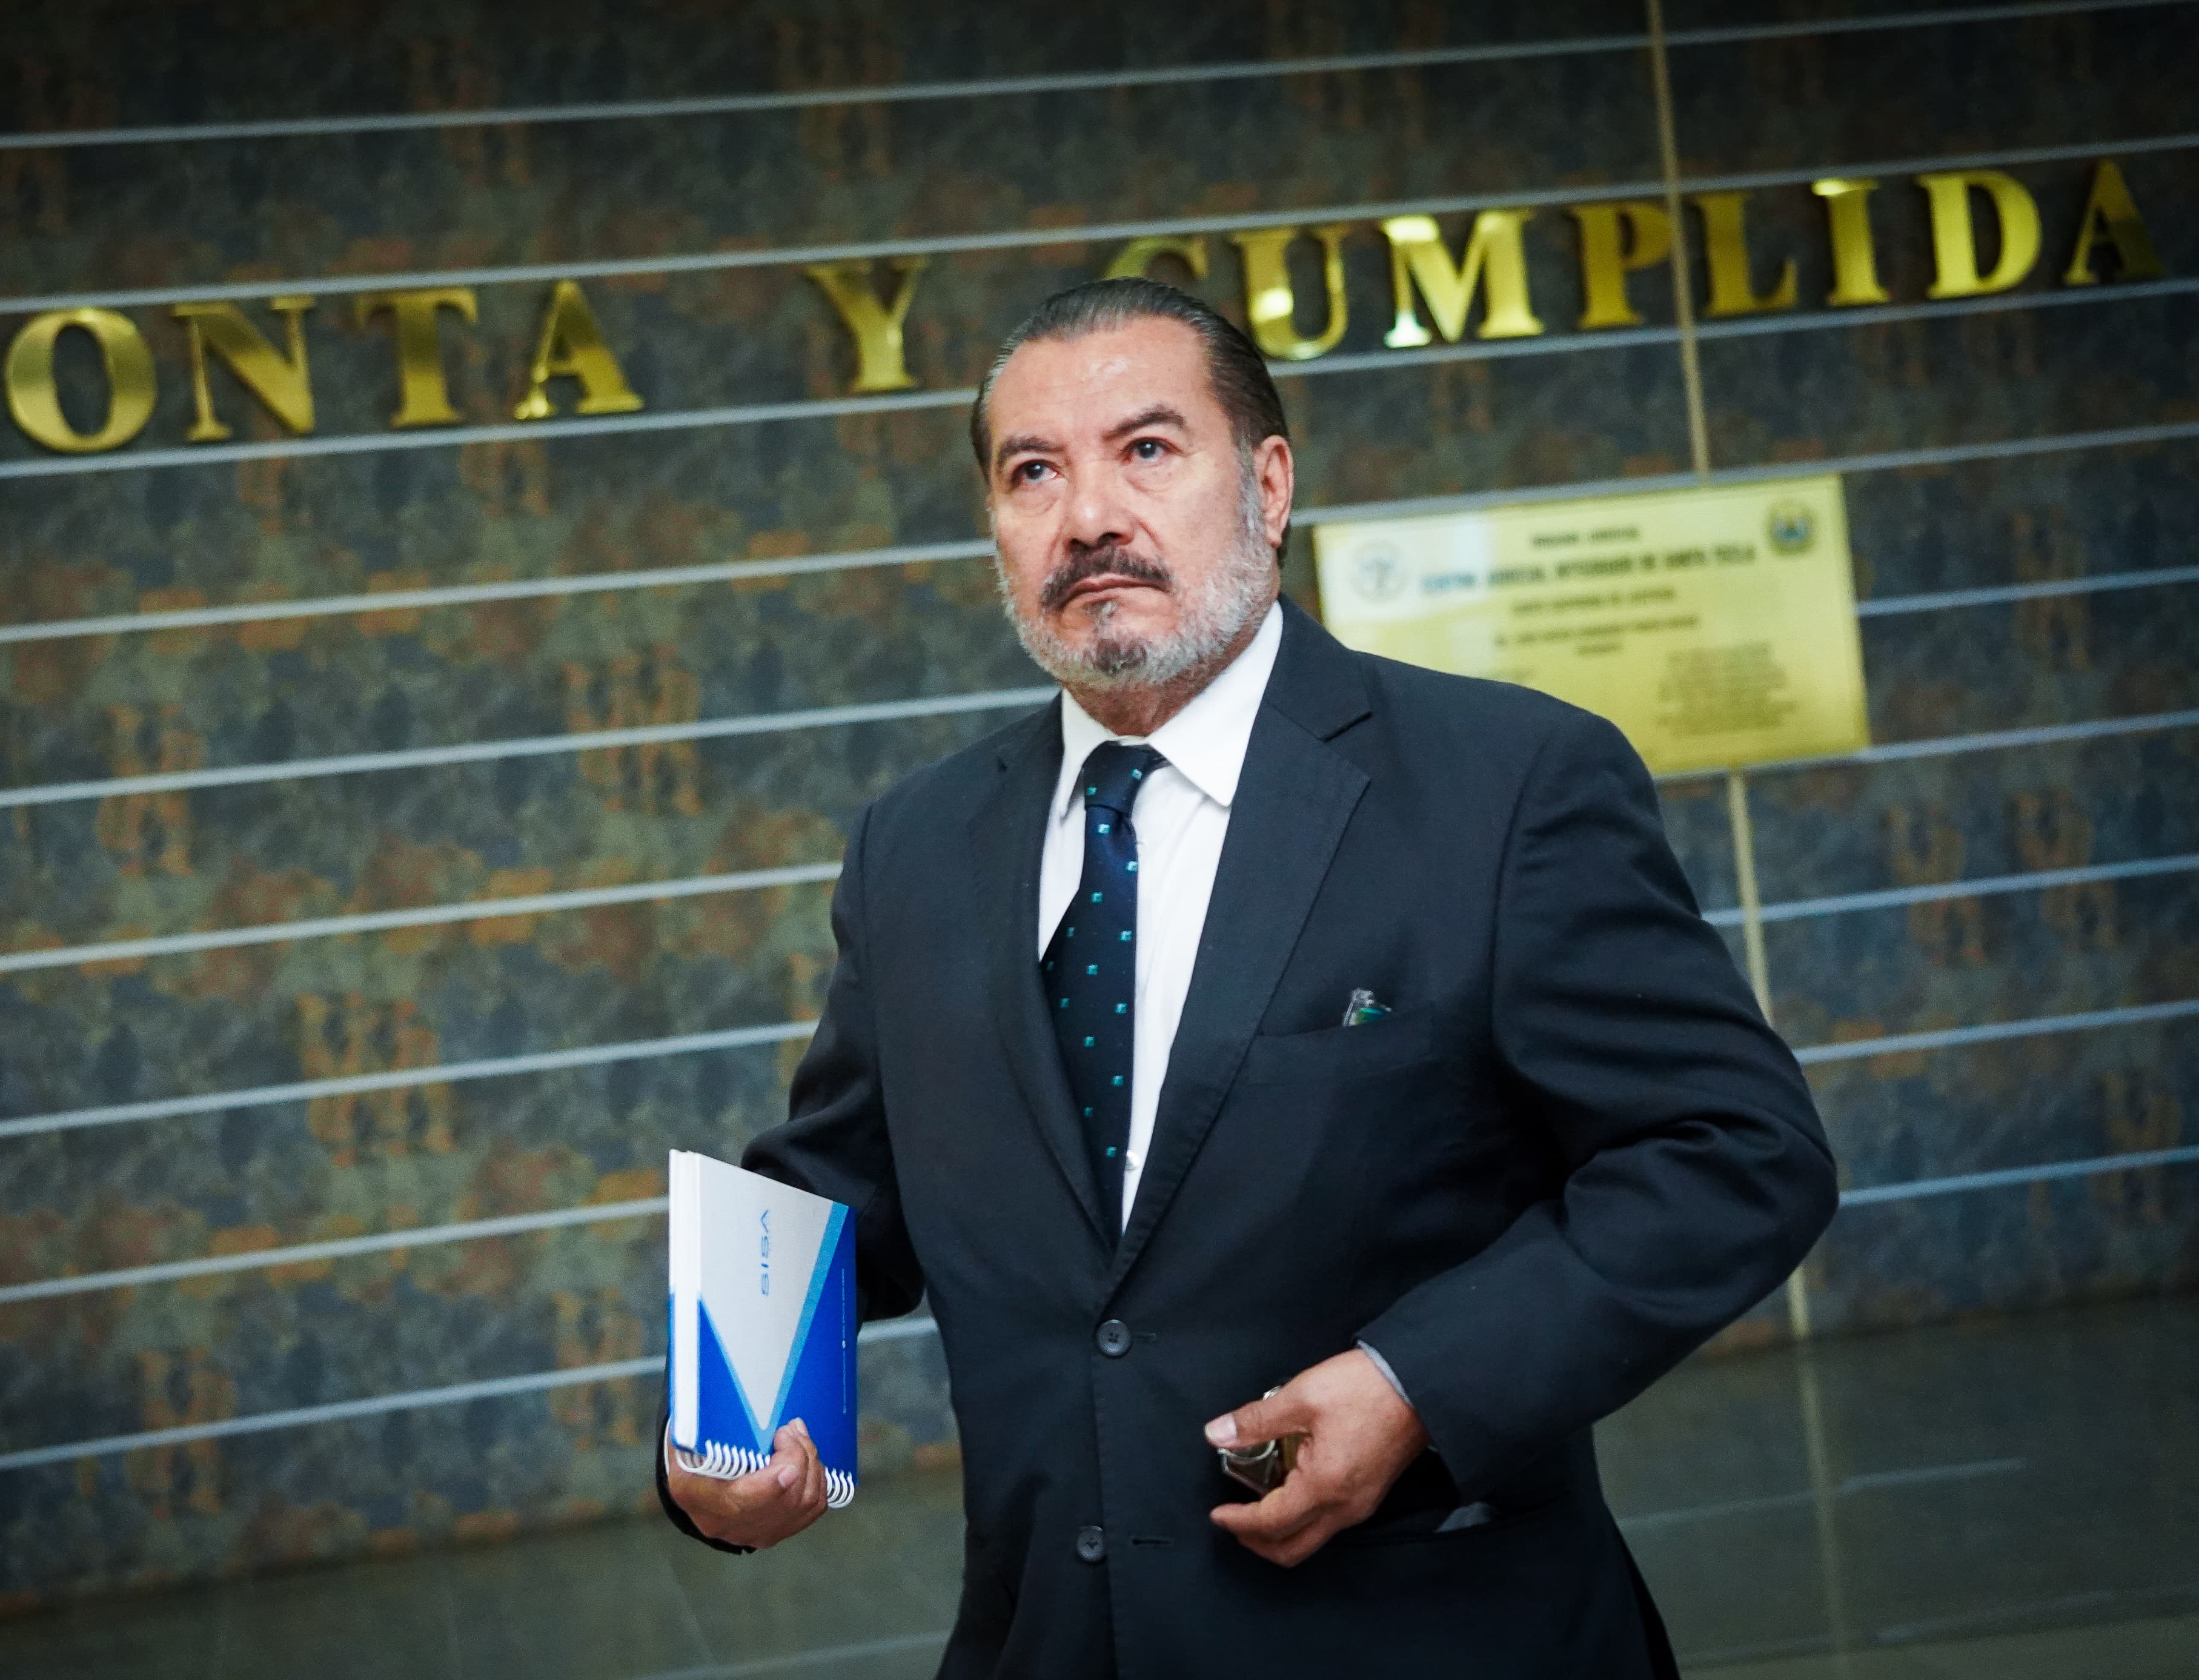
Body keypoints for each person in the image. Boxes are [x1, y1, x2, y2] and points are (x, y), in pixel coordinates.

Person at [654, 276, 1837, 1677]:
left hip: (1430, 1637)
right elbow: (835, 1193)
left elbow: (1733, 1149)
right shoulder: (914, 846)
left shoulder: (1506, 785)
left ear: (1269, 485)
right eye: (1033, 472)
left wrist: (1417, 1383)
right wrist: (714, 1432)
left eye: (1147, 449)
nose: (1087, 515)